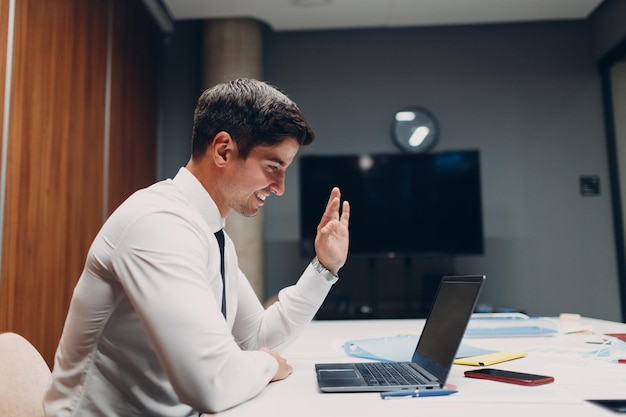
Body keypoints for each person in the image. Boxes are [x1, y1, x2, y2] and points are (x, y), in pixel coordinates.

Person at [44, 78, 350, 416]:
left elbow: (257, 337)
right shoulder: (158, 224)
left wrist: (324, 268)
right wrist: (265, 364)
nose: (279, 188)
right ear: (222, 150)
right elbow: (211, 383)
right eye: (272, 167)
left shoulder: (209, 233)